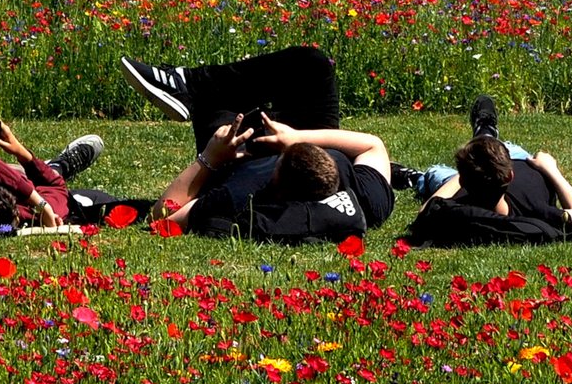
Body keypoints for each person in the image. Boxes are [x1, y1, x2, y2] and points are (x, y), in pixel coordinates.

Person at [123, 45, 394, 244]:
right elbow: (373, 146)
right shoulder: (366, 200)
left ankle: (192, 89)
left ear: (275, 182)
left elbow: (164, 215)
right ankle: (187, 86)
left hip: (236, 152)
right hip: (302, 138)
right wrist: (297, 137)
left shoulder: (245, 192)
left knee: (215, 102)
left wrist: (210, 158)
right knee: (313, 63)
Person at [400, 130, 572, 248]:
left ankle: (416, 176)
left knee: (436, 173)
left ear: (463, 181)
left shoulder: (457, 207)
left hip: (486, 171)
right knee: (509, 148)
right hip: (522, 161)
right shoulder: (533, 209)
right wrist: (551, 169)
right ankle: (487, 136)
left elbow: (426, 211)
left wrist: (459, 177)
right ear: (509, 176)